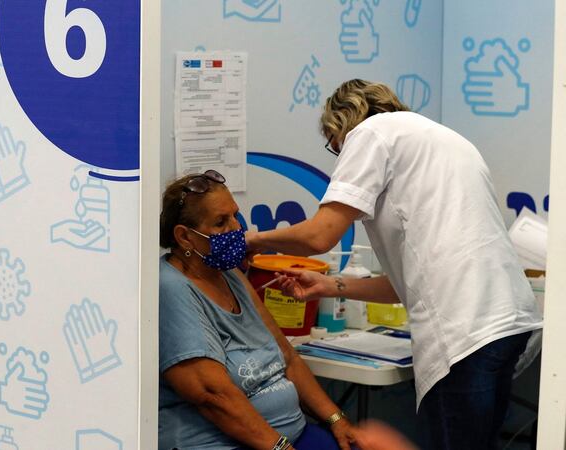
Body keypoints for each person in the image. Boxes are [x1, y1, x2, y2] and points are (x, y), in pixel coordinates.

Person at [247, 79, 543, 449]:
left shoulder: (370, 134)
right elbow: (412, 280)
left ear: (342, 125)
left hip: (464, 333)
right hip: (507, 324)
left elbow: (320, 236)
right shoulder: (446, 141)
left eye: (335, 146)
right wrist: (329, 285)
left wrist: (252, 241)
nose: (340, 157)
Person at [159, 171, 362, 450]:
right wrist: (279, 447)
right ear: (184, 237)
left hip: (290, 434)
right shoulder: (171, 287)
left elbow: (287, 357)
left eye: (235, 216)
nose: (236, 229)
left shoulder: (230, 275)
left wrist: (336, 419)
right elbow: (212, 395)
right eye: (220, 222)